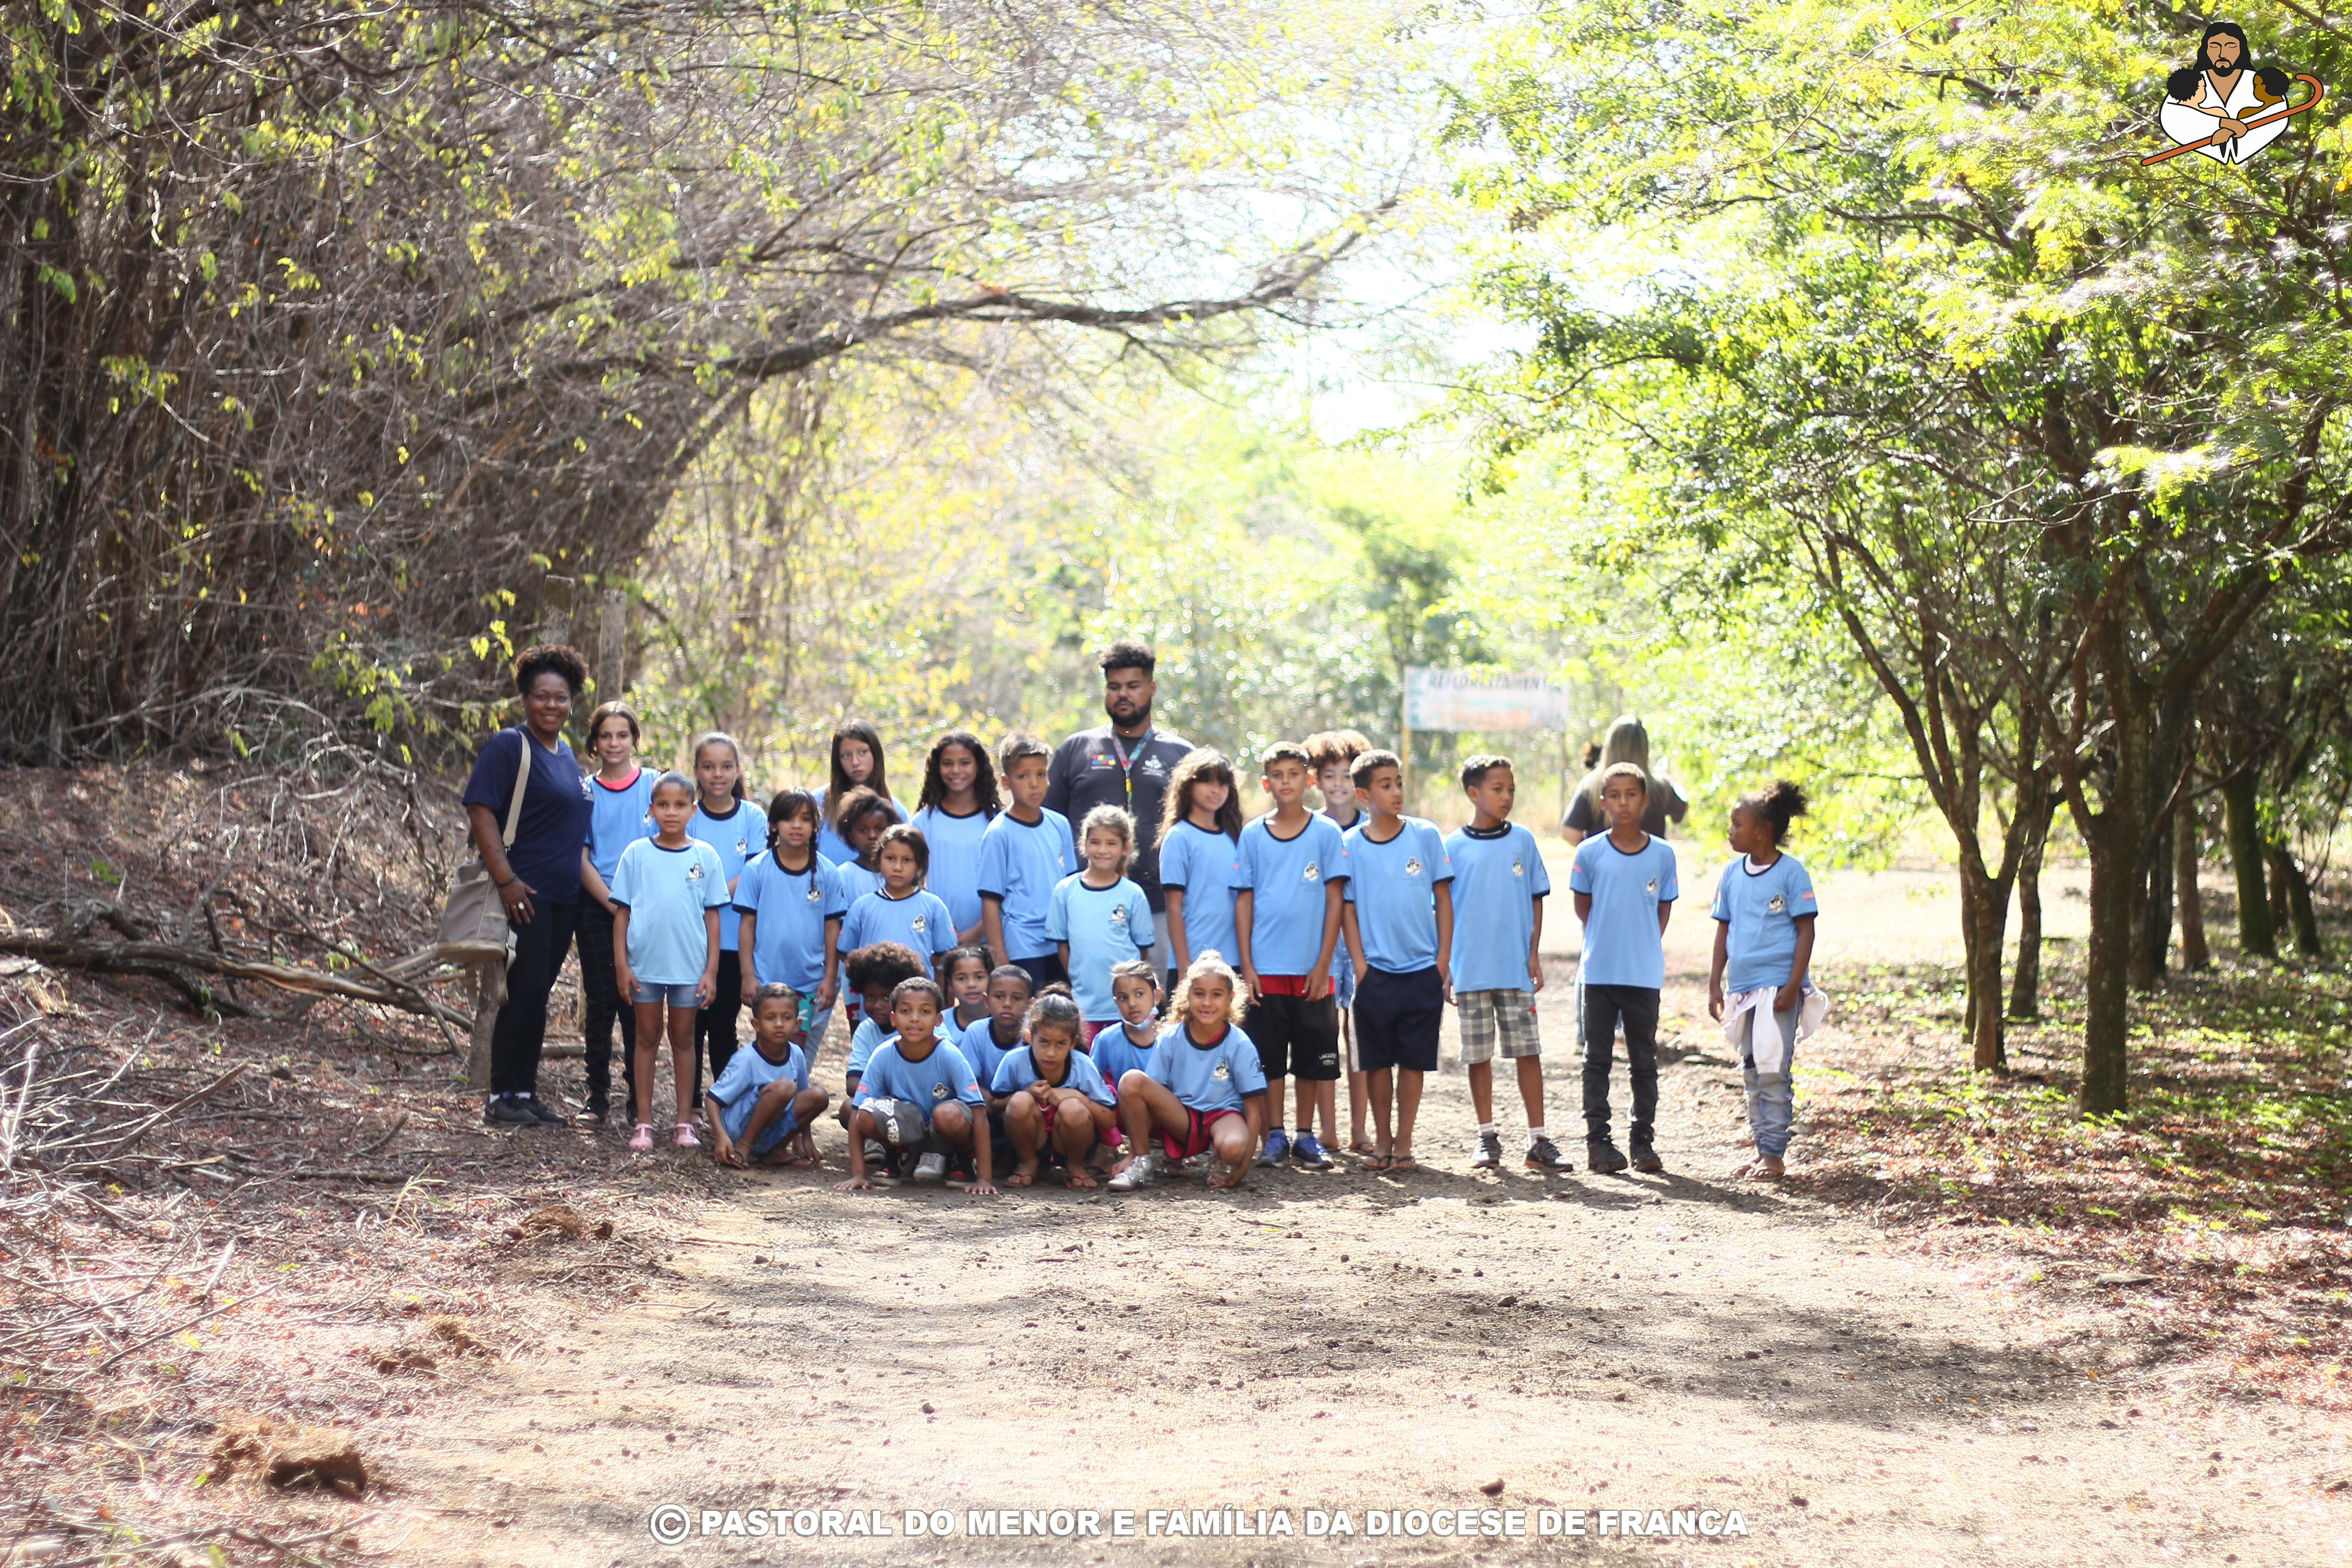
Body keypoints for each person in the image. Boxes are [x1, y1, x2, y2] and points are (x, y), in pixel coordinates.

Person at [461, 645, 595, 1128]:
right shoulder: (508, 746)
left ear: (572, 701)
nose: (552, 705)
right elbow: (481, 810)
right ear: (524, 698)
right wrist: (507, 880)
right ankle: (501, 1096)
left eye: (561, 697)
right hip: (524, 895)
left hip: (563, 899)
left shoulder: (566, 757)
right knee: (523, 992)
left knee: (538, 995)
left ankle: (525, 1092)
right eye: (541, 696)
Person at [1444, 755, 1568, 1172]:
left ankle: (1538, 1140)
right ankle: (1486, 1136)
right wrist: (1445, 966)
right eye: (1498, 789)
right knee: (1477, 1056)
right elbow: (1441, 910)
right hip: (1470, 971)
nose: (1507, 797)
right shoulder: (1452, 847)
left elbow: (1536, 898)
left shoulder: (1523, 841)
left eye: (1511, 789)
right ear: (1474, 793)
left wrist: (1532, 953)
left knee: (1528, 1052)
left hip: (1514, 970)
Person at [1045, 641, 1194, 979]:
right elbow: (1047, 826)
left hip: (1160, 906)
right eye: (1114, 687)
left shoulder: (1181, 754)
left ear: (1152, 688)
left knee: (1156, 1005)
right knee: (1090, 1004)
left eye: (1132, 686)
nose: (1122, 695)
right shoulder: (1076, 749)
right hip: (1087, 904)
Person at [1233, 741, 1348, 1171]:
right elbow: (1244, 901)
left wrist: (1323, 964)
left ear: (1309, 780)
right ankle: (1275, 1135)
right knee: (1269, 1058)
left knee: (1312, 1058)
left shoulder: (1326, 834)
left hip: (1313, 970)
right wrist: (1247, 966)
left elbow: (1335, 900)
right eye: (1277, 775)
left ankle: (1305, 1135)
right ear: (1266, 783)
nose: (1286, 782)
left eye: (1294, 774)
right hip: (1265, 968)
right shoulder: (1252, 834)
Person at [1339, 749, 1452, 1173]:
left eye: (1399, 783)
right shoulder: (1349, 845)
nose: (1397, 792)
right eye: (1386, 786)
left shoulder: (1425, 835)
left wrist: (1441, 963)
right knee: (1376, 1063)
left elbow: (1444, 899)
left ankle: (1404, 1143)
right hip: (1375, 975)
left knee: (1414, 1061)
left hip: (1422, 971)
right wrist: (1361, 965)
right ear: (1363, 795)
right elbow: (1347, 909)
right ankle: (1382, 1140)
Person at [1708, 781, 1823, 1182]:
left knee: (1774, 1069)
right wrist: (1714, 985)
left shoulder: (1792, 873)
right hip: (1743, 989)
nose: (1731, 830)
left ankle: (1775, 1154)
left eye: (1737, 824)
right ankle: (1762, 1149)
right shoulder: (1731, 875)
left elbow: (1806, 932)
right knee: (1752, 1069)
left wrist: (1793, 986)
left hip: (1778, 988)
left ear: (1763, 830)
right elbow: (1723, 933)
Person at [1570, 763, 1680, 1175]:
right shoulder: (1590, 852)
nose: (1623, 802)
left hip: (1643, 974)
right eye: (1614, 795)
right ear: (1603, 803)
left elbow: (1663, 908)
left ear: (1645, 799)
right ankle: (1598, 1143)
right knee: (1596, 1060)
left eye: (1631, 794)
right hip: (1599, 973)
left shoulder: (1662, 855)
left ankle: (1642, 1142)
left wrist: (1642, 943)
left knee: (1644, 1062)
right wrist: (1606, 937)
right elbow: (1584, 908)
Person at [611, 771, 729, 1152]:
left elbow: (713, 917)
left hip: (689, 968)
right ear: (651, 810)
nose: (671, 812)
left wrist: (711, 970)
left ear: (694, 810)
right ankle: (643, 1122)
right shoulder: (636, 854)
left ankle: (684, 1121)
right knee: (645, 1038)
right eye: (663, 804)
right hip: (644, 965)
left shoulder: (705, 856)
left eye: (680, 805)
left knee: (684, 1038)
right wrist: (621, 966)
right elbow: (622, 915)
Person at [1106, 951, 1266, 1192]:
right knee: (1132, 1081)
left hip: (1222, 1116)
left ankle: (1220, 1159)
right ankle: (1142, 1162)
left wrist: (1243, 1168)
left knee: (1233, 1149)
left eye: (1217, 995)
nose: (1207, 1003)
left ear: (1231, 998)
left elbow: (1254, 1109)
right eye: (1199, 994)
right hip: (1181, 1117)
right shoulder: (1170, 1037)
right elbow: (1152, 1096)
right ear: (1187, 995)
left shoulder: (1240, 1043)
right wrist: (1134, 1151)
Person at [573, 699, 655, 1125]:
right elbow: (580, 857)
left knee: (637, 1001)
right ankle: (597, 1094)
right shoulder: (584, 792)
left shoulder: (656, 785)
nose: (614, 743)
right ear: (594, 742)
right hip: (598, 905)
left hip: (650, 910)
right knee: (602, 1000)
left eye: (622, 735)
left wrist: (641, 907)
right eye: (606, 735)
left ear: (634, 740)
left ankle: (637, 1099)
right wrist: (613, 903)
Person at [837, 977, 995, 1194]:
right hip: (909, 1126)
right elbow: (857, 1112)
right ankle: (900, 1153)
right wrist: (858, 1174)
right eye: (905, 1011)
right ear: (893, 1018)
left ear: (939, 1019)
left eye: (925, 1011)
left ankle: (964, 1158)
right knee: (866, 1114)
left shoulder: (949, 1054)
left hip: (946, 1129)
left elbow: (978, 1113)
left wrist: (985, 1178)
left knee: (947, 1114)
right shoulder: (883, 1054)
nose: (914, 1019)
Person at [733, 789, 845, 1062]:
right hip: (766, 980)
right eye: (788, 819)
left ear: (815, 826)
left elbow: (833, 929)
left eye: (806, 819)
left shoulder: (828, 873)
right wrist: (748, 976)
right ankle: (769, 1099)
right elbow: (747, 926)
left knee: (797, 1051)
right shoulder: (757, 869)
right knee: (769, 1047)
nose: (797, 826)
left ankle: (795, 1102)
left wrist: (830, 977)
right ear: (773, 825)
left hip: (808, 981)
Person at [1307, 729, 1373, 1154]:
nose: (1338, 785)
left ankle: (1361, 1130)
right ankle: (1326, 1130)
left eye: (1347, 776)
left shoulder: (1376, 829)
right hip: (1322, 945)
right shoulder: (1309, 829)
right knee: (1324, 1036)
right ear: (1316, 780)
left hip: (1365, 944)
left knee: (1362, 1038)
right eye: (1329, 775)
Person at [687, 731, 762, 1094]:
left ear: (737, 770)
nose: (718, 774)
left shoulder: (753, 817)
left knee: (722, 1025)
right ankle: (694, 1106)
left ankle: (726, 1099)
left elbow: (753, 870)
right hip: (690, 937)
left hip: (734, 938)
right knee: (691, 1025)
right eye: (709, 766)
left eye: (726, 766)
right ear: (698, 771)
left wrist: (710, 895)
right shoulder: (687, 814)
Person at [1047, 805, 1156, 1042]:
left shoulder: (1133, 894)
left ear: (1126, 847)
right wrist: (1079, 981)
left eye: (1112, 843)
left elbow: (1142, 951)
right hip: (1085, 1006)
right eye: (1095, 842)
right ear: (1084, 844)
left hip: (1127, 1009)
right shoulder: (1065, 891)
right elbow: (1063, 947)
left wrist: (1129, 989)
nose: (1103, 850)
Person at [978, 733, 1075, 989]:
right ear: (1006, 782)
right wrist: (1002, 964)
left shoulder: (1060, 825)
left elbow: (1071, 889)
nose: (1034, 784)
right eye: (1023, 776)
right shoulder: (999, 833)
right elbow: (990, 902)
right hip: (1022, 946)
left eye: (1041, 774)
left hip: (1060, 944)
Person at [995, 990, 1120, 1188]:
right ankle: (1029, 1162)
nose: (1051, 1053)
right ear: (1029, 1037)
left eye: (1061, 1044)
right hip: (1033, 1140)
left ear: (1072, 1043)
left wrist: (1075, 1095)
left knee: (1073, 1107)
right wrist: (1027, 1093)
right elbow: (993, 1106)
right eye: (1043, 1042)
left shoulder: (1082, 1066)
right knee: (1019, 1101)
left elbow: (1109, 1119)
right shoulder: (1014, 1061)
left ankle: (1075, 1166)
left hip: (1072, 1142)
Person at [706, 984, 829, 1169]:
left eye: (787, 1018)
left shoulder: (796, 1054)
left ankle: (775, 1152)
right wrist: (721, 1138)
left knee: (819, 1095)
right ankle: (744, 1148)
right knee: (784, 1087)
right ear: (756, 1025)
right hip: (737, 1129)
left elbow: (804, 1095)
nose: (779, 1024)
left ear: (797, 1025)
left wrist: (807, 1139)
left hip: (769, 1127)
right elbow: (712, 1101)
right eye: (770, 1018)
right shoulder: (747, 1059)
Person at [1156, 749, 1246, 976]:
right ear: (1188, 785)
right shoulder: (1179, 837)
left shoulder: (1235, 837)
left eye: (1224, 784)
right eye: (1207, 782)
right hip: (1193, 964)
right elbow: (1174, 907)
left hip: (1233, 961)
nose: (1216, 790)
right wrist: (1186, 970)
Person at [913, 732, 1001, 945]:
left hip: (988, 939)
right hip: (936, 940)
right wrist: (938, 930)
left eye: (965, 763)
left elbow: (1007, 885)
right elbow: (914, 885)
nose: (956, 771)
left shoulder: (998, 823)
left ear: (979, 767)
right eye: (947, 764)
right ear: (937, 768)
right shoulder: (923, 822)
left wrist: (979, 931)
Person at [837, 824, 956, 977]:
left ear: (919, 865)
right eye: (891, 859)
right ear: (879, 861)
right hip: (876, 996)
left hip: (918, 994)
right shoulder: (862, 906)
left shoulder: (933, 906)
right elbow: (845, 952)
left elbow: (945, 953)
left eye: (907, 860)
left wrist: (918, 967)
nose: (898, 867)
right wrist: (867, 975)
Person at [956, 962, 1036, 1175]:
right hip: (986, 1108)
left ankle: (1029, 1159)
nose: (1007, 1004)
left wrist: (1001, 1103)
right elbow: (968, 1082)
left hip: (1026, 1111)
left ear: (1030, 1005)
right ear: (986, 1000)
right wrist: (993, 1102)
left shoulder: (1036, 1036)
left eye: (1017, 999)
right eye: (999, 997)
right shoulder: (976, 1032)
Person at [1561, 716, 1688, 847]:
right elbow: (1680, 814)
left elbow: (1570, 833)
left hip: (1605, 867)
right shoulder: (1661, 788)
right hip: (1650, 865)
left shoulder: (1591, 786)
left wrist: (1595, 853)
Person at [815, 718, 905, 867]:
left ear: (875, 754)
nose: (855, 762)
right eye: (846, 756)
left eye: (863, 752)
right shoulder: (820, 801)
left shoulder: (895, 809)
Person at [1090, 959, 1162, 1094]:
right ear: (1116, 1002)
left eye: (1140, 994)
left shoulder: (1173, 1036)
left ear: (1157, 996)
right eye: (1123, 998)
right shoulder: (1107, 1039)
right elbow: (1090, 1080)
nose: (1132, 1003)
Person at [829, 787, 897, 910]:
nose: (872, 836)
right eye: (863, 830)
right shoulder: (844, 875)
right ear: (851, 836)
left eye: (880, 829)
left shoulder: (898, 871)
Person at [940, 945, 995, 1035]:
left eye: (979, 977)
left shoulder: (1003, 1020)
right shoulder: (940, 1023)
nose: (971, 985)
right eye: (961, 979)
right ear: (950, 985)